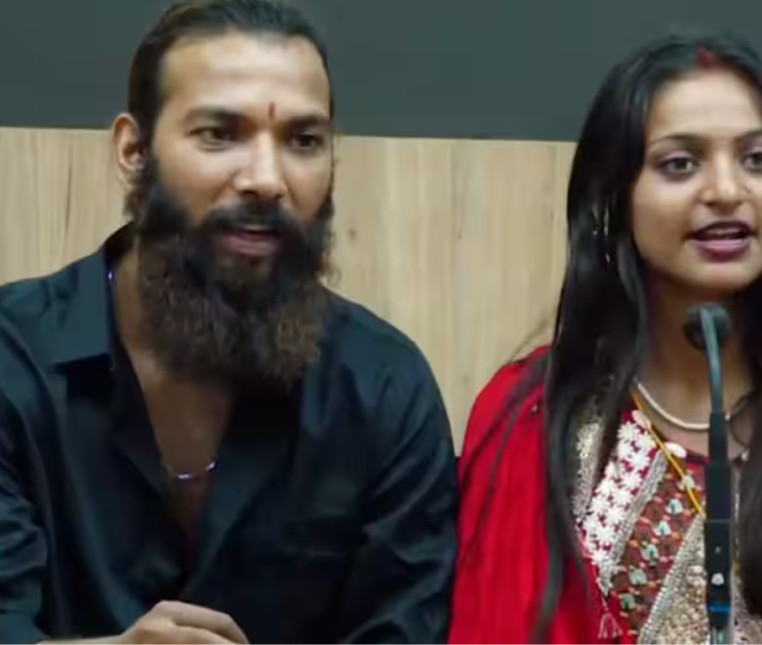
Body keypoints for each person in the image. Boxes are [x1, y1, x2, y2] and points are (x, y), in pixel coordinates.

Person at [0, 0, 457, 642]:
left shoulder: (384, 390)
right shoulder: (12, 360)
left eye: (303, 141)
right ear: (133, 151)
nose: (266, 180)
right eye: (219, 134)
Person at [449, 32, 762, 645]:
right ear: (614, 198)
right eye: (680, 164)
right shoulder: (537, 421)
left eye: (758, 159)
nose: (728, 190)